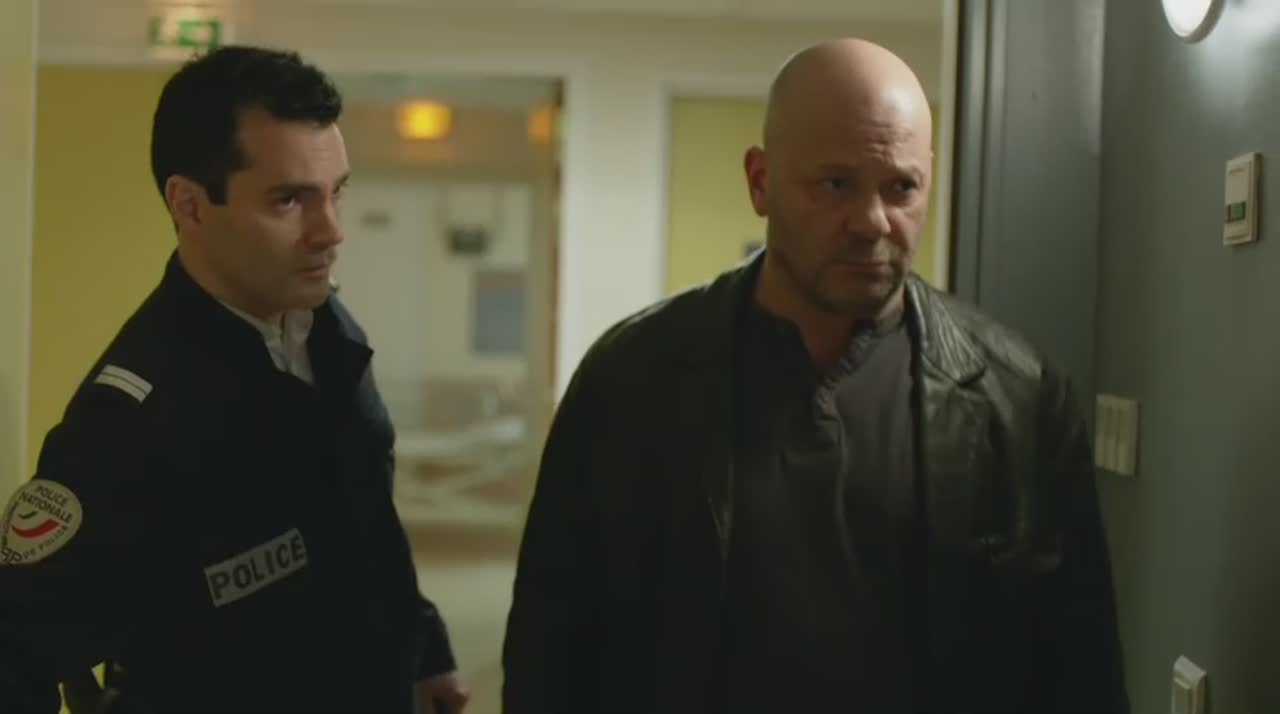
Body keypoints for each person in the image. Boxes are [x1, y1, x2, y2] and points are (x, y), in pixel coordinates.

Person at [503, 38, 1129, 713]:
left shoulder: (1018, 396)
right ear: (760, 181)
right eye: (835, 184)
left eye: (901, 187)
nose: (871, 221)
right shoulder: (631, 381)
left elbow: (1079, 665)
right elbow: (550, 651)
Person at [0, 46, 469, 714]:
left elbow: (362, 514)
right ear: (189, 205)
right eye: (289, 200)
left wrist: (425, 650)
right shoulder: (131, 423)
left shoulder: (327, 326)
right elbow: (16, 646)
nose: (330, 232)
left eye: (336, 192)